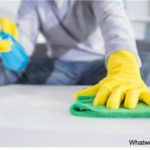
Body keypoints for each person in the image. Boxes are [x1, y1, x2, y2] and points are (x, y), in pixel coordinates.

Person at [0, 0, 150, 109]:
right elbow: (23, 47)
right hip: (59, 69)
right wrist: (10, 46)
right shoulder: (32, 2)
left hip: (100, 67)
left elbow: (113, 18)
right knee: (14, 70)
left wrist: (123, 65)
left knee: (145, 63)